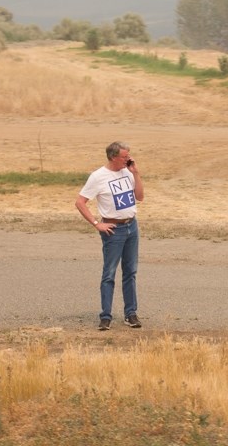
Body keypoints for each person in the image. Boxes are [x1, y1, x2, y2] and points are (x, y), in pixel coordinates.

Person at [75, 141, 145, 330]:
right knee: (109, 273)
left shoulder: (128, 172)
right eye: (124, 157)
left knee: (130, 272)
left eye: (129, 156)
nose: (128, 159)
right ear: (113, 157)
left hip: (132, 227)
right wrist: (97, 224)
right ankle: (105, 316)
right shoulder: (98, 177)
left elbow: (140, 197)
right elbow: (80, 202)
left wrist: (136, 173)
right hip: (114, 230)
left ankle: (131, 314)